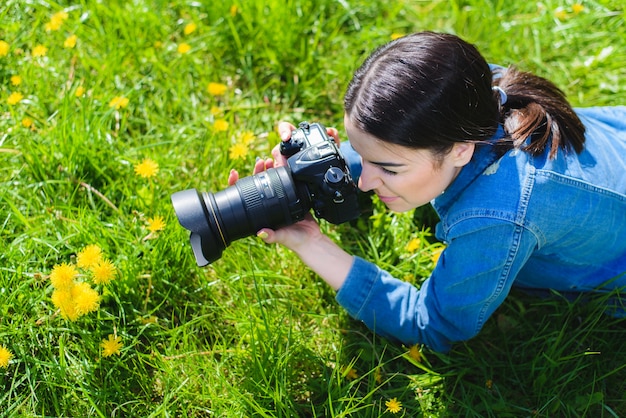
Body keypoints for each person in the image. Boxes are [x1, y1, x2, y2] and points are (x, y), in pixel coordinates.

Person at [228, 31, 626, 353]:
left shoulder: (496, 215)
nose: (363, 181)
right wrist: (316, 167)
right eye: (361, 157)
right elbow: (391, 148)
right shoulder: (466, 89)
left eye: (388, 168)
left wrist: (312, 245)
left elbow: (434, 323)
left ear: (460, 150)